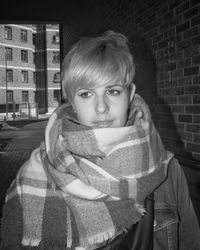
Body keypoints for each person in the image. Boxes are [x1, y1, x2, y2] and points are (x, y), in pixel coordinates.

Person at [0, 30, 200, 250]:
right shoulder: (34, 175)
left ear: (130, 94)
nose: (101, 107)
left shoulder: (168, 172)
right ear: (72, 102)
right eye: (86, 94)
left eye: (113, 91)